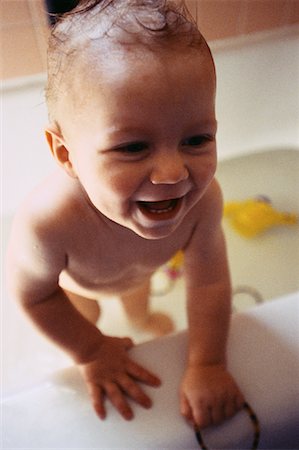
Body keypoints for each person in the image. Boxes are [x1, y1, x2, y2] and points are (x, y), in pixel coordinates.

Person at [6, 0, 245, 429]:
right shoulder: (49, 222)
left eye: (196, 139)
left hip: (139, 272)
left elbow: (208, 280)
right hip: (76, 288)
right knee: (89, 318)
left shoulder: (204, 202)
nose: (174, 172)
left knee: (139, 307)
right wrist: (92, 350)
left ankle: (136, 317)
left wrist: (207, 363)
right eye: (133, 147)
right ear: (66, 154)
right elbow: (35, 295)